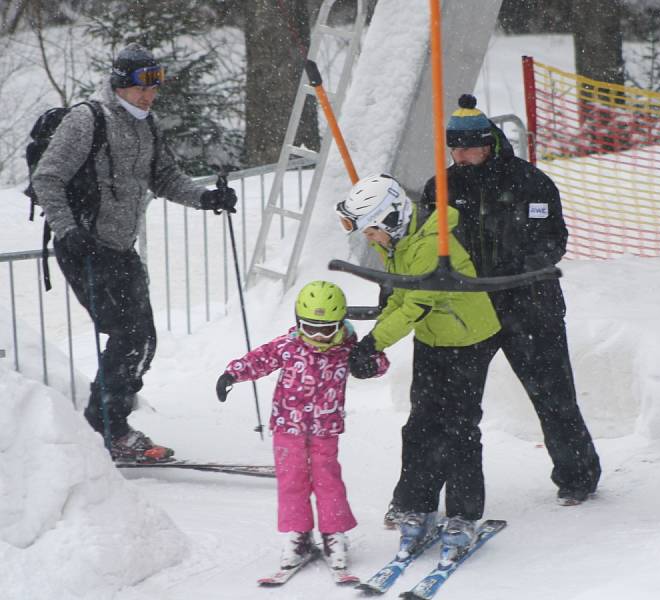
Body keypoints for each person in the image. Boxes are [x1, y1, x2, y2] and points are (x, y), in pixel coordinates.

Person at [31, 43, 238, 462]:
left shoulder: (148, 125)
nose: (148, 95)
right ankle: (107, 429)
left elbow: (164, 177)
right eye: (141, 87)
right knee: (128, 337)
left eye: (155, 86)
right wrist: (68, 231)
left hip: (120, 248)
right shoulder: (87, 121)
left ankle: (108, 423)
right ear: (120, 84)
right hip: (84, 248)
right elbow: (47, 178)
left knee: (143, 340)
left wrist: (206, 198)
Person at [418, 93, 601, 506]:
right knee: (454, 406)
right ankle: (427, 493)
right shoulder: (440, 189)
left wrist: (518, 265)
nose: (459, 155)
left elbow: (554, 240)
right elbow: (422, 244)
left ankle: (578, 476)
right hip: (469, 310)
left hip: (530, 307)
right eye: (453, 147)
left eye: (467, 146)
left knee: (554, 396)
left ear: (489, 143)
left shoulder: (531, 182)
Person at [335, 174, 501, 562]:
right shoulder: (394, 243)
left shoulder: (431, 248)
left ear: (391, 218)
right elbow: (398, 297)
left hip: (467, 340)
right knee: (421, 424)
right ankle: (417, 503)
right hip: (432, 337)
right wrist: (370, 341)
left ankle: (463, 514)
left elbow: (415, 306)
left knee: (459, 426)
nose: (369, 239)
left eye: (372, 230)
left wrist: (375, 342)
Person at [215, 280, 389, 572]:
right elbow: (260, 359)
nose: (318, 336)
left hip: (325, 429)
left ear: (340, 323)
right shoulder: (289, 345)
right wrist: (231, 374)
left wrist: (372, 365)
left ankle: (334, 533)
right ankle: (299, 534)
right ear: (298, 323)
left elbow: (379, 360)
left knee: (327, 481)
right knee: (292, 481)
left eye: (326, 329)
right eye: (310, 328)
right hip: (287, 427)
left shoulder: (348, 349)